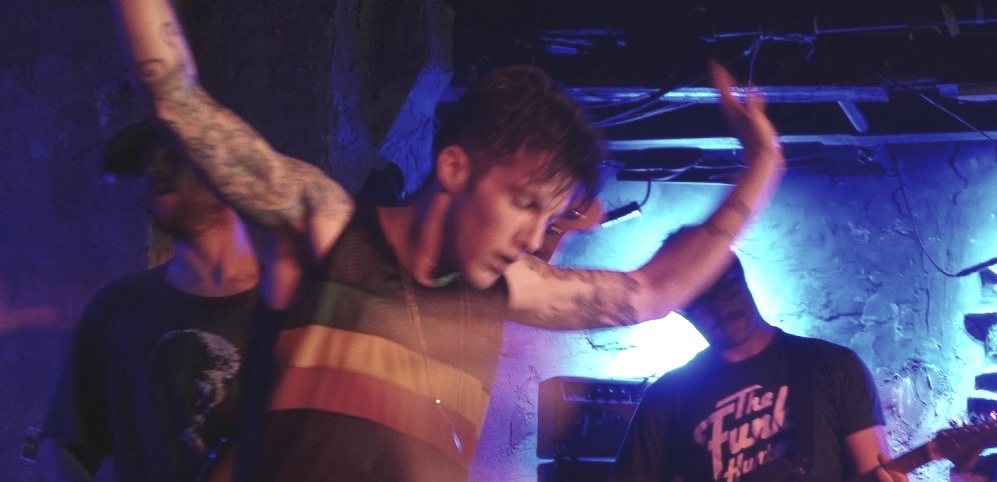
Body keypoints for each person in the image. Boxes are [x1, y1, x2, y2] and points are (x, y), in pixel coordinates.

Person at [110, 0, 791, 480]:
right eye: (523, 203)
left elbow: (648, 292)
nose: (533, 235)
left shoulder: (504, 288)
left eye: (548, 214)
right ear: (455, 168)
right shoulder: (328, 229)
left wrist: (763, 165)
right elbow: (177, 100)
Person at [39, 121, 262, 482]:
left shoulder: (292, 307)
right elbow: (62, 444)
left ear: (228, 164)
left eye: (173, 153)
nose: (155, 169)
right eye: (148, 161)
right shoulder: (116, 310)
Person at [609, 243, 908, 482]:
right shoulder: (666, 396)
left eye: (725, 287)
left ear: (740, 276)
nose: (719, 307)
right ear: (680, 308)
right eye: (699, 300)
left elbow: (872, 469)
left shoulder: (835, 366)